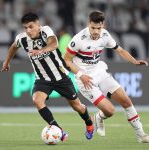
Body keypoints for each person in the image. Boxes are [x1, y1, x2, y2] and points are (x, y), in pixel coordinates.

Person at [1, 12, 94, 141]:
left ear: (38, 25)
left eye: (31, 26)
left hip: (61, 77)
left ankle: (89, 123)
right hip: (42, 79)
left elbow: (54, 43)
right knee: (37, 100)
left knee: (77, 106)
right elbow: (13, 47)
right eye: (25, 27)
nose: (28, 30)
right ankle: (59, 131)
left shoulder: (46, 31)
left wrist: (41, 50)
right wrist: (7, 62)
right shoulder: (22, 39)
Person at [64, 10, 149, 143]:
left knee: (126, 100)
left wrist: (135, 61)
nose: (96, 32)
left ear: (103, 25)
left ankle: (141, 135)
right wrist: (81, 75)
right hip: (85, 80)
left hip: (99, 72)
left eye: (99, 28)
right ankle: (99, 117)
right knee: (110, 111)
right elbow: (66, 60)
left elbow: (119, 50)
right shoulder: (78, 40)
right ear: (88, 24)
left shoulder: (105, 35)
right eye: (93, 28)